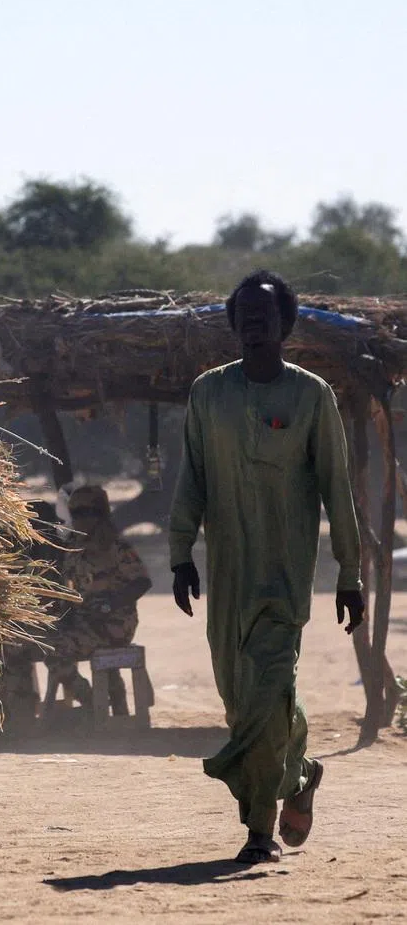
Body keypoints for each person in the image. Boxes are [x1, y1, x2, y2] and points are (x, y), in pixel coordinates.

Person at [169, 270, 365, 865]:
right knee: (245, 701)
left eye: (266, 314)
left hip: (285, 577)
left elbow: (337, 487)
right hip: (227, 577)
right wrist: (179, 555)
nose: (255, 322)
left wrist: (351, 576)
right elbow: (191, 479)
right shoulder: (209, 393)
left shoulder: (311, 396)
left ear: (285, 324)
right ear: (233, 325)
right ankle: (300, 775)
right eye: (245, 314)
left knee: (268, 691)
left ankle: (259, 831)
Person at [44, 485, 151, 713]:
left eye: (87, 512)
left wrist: (110, 604)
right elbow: (67, 586)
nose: (81, 519)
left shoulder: (117, 546)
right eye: (76, 513)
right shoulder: (73, 547)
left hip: (114, 625)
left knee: (55, 652)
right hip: (84, 623)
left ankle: (94, 705)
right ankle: (98, 703)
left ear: (100, 513)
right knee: (45, 643)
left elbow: (142, 581)